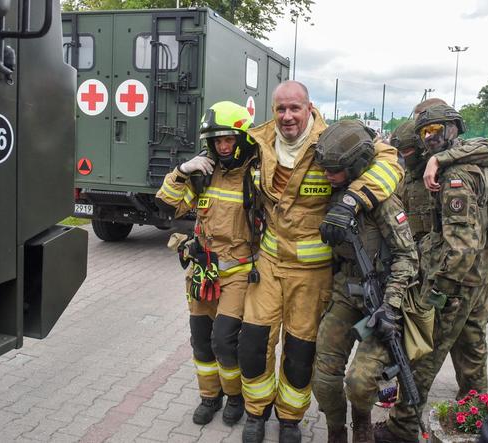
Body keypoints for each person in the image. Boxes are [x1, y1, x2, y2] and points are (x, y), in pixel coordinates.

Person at [237, 80, 404, 443]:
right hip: (267, 263)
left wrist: (351, 201)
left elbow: (390, 162)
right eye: (280, 109)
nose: (287, 116)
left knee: (300, 350)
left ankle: (290, 417)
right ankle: (256, 410)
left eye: (294, 108)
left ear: (309, 107)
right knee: (252, 342)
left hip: (312, 273)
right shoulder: (259, 140)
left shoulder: (333, 139)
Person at [374, 104, 488, 443]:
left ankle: (401, 429)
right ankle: (476, 416)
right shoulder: (479, 167)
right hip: (480, 279)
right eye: (425, 133)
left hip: (456, 284)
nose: (431, 139)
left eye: (437, 131)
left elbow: (459, 247)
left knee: (426, 354)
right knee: (473, 350)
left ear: (454, 130)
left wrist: (437, 291)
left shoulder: (452, 176)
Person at [312, 120, 418, 443]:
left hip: (382, 300)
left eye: (334, 170)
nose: (327, 175)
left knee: (360, 383)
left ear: (355, 165)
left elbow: (407, 257)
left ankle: (362, 422)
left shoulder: (383, 201)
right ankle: (335, 431)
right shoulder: (336, 196)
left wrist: (391, 305)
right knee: (324, 377)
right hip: (347, 292)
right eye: (325, 168)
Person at [156, 101, 260, 427]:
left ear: (241, 140)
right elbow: (168, 206)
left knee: (225, 339)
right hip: (203, 270)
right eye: (217, 141)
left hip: (239, 272)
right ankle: (209, 397)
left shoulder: (255, 176)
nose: (223, 146)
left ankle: (234, 396)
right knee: (200, 339)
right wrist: (182, 172)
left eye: (229, 140)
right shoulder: (204, 174)